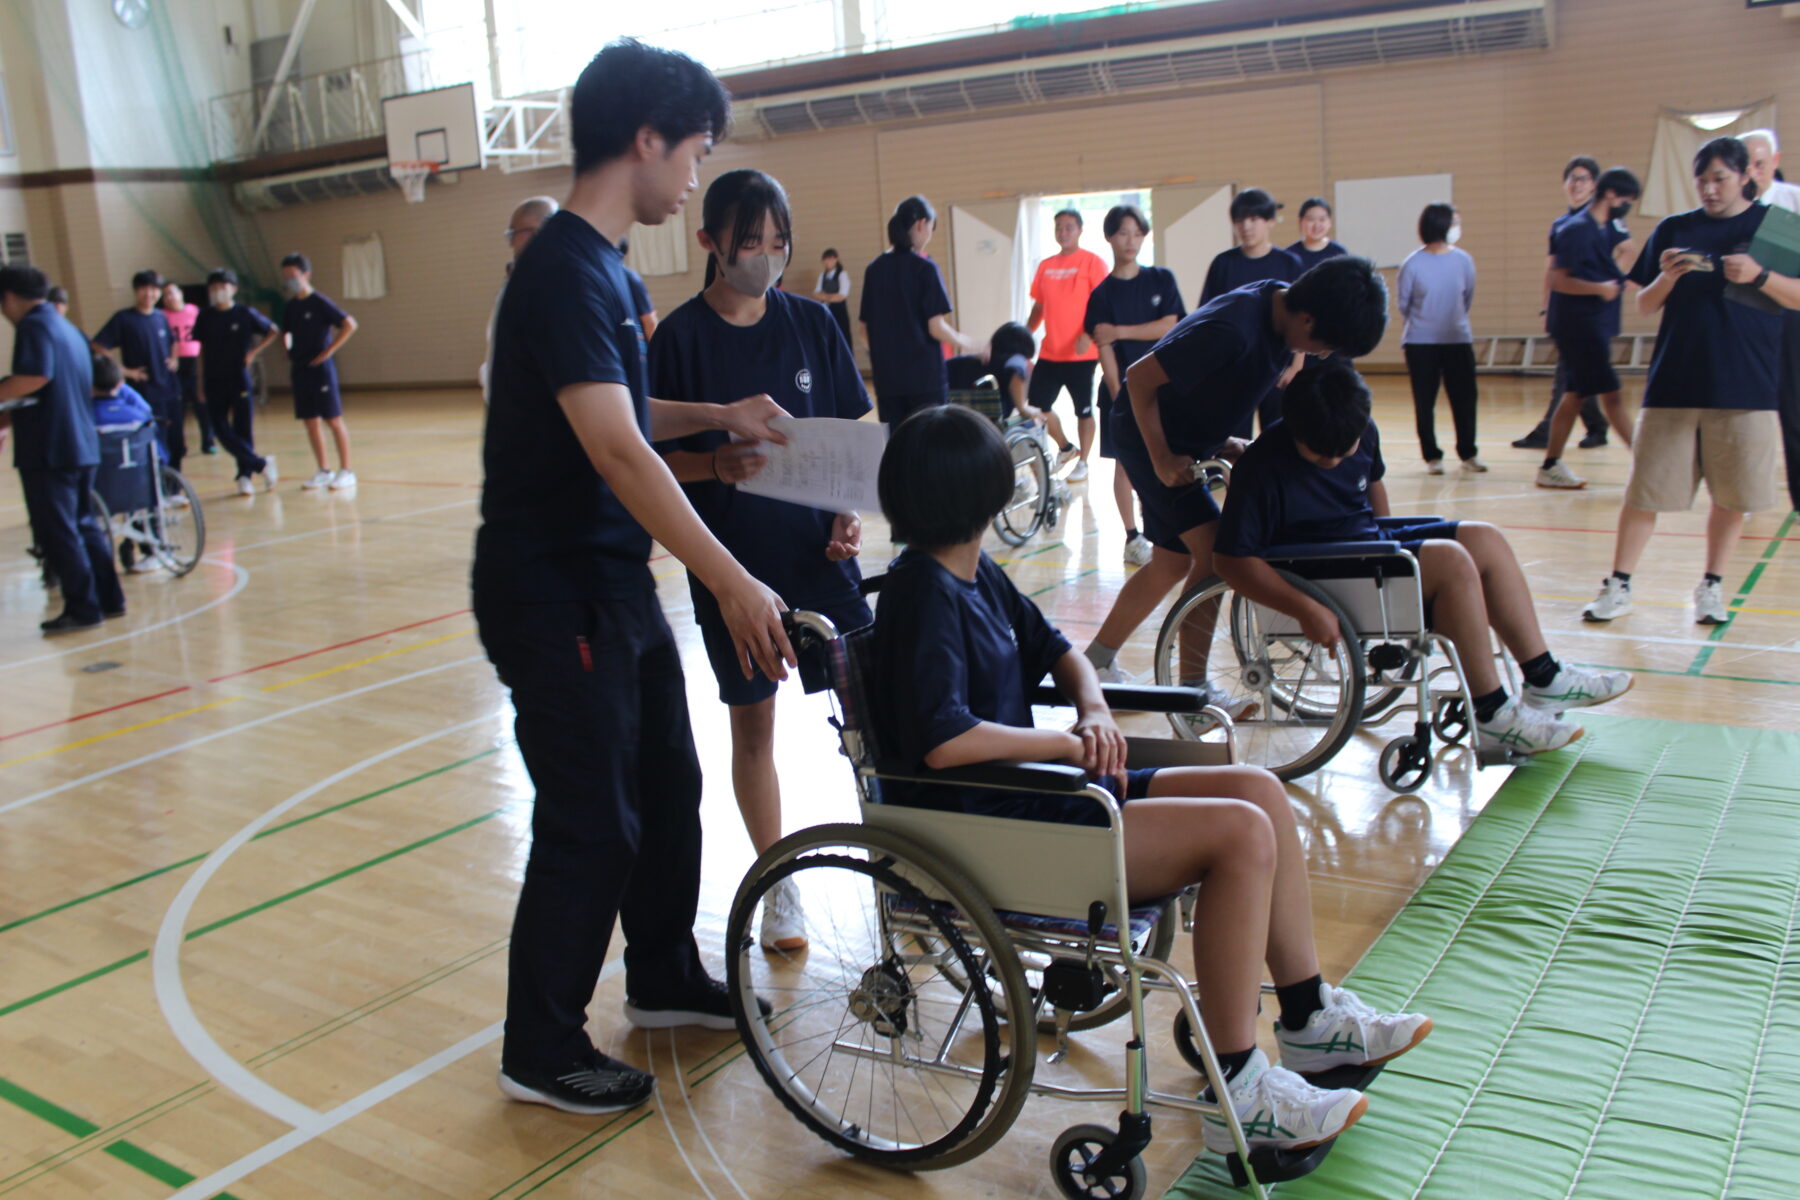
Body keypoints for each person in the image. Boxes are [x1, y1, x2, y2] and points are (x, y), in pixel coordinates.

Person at [870, 403, 1432, 1156]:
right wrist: (1069, 744)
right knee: (1239, 835)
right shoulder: (923, 596)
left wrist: (1094, 705)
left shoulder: (974, 572)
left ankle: (1307, 1016)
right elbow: (946, 742)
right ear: (981, 496)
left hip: (1049, 790)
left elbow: (1062, 652)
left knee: (1258, 790)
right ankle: (1241, 1087)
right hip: (1001, 824)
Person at [475, 38, 792, 1119]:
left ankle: (659, 976)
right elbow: (613, 450)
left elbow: (619, 413)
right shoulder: (563, 268)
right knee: (592, 817)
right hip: (549, 587)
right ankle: (541, 1040)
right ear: (645, 141)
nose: (697, 175)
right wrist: (736, 579)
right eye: (695, 151)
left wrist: (716, 428)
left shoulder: (607, 270)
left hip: (611, 579)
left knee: (668, 784)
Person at [649, 168, 872, 953]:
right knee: (754, 729)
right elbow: (644, 464)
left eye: (780, 243)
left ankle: (906, 864)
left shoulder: (813, 323)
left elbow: (851, 430)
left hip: (819, 559)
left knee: (871, 719)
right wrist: (715, 467)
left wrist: (848, 510)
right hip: (735, 572)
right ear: (710, 241)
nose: (768, 258)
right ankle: (779, 885)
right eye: (751, 243)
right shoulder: (677, 341)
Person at [1214, 361, 1631, 753]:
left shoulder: (1359, 428)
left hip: (1363, 548)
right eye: (1320, 455)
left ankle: (1543, 675)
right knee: (1449, 562)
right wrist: (1305, 607)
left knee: (1484, 538)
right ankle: (1491, 711)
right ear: (1293, 430)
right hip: (1315, 565)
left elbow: (1373, 492)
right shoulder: (1263, 466)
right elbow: (1231, 561)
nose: (1333, 461)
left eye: (1344, 451)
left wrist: (1388, 550)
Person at [1082, 255, 1389, 697]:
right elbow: (1139, 379)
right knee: (1211, 557)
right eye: (1323, 344)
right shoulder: (1234, 329)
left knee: (1172, 561)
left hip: (1188, 437)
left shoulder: (1282, 306)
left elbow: (1212, 386)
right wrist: (1163, 455)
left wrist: (1221, 439)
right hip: (1150, 438)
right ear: (1308, 317)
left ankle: (1095, 662)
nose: (1319, 355)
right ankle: (1191, 692)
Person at [1583, 137, 1800, 625]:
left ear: (1745, 175)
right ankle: (1618, 585)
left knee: (1732, 496)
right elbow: (1643, 304)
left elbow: (1797, 297)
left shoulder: (1776, 226)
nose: (1709, 188)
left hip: (1747, 385)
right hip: (1675, 383)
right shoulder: (1675, 228)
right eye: (1701, 179)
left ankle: (1712, 586)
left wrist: (1759, 275)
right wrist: (1667, 278)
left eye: (1719, 178)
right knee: (1645, 492)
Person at [0, 266, 125, 633]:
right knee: (84, 524)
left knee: (59, 530)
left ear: (8, 298)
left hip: (50, 449)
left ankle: (83, 609)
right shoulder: (66, 327)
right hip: (80, 442)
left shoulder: (34, 326)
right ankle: (110, 599)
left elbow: (34, 377)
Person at [1085, 203, 1185, 567]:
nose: (1131, 240)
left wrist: (1121, 331)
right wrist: (1118, 395)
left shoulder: (1161, 279)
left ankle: (1163, 529)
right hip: (1120, 394)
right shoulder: (1101, 295)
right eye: (1123, 232)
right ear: (1110, 237)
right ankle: (1131, 537)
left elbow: (1171, 325)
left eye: (1137, 233)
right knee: (1125, 465)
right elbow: (1103, 346)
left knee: (1166, 457)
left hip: (1163, 390)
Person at [1537, 168, 1643, 490]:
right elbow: (1558, 278)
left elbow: (1616, 262)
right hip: (1579, 328)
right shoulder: (1577, 229)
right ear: (1612, 195)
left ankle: (1550, 465)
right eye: (1626, 200)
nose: (1627, 206)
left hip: (1590, 325)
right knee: (1613, 396)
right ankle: (1646, 465)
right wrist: (1598, 289)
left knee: (1575, 396)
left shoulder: (1599, 229)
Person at [1512, 157, 1619, 450]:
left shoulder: (1603, 222)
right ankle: (1597, 426)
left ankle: (1548, 431)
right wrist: (1547, 307)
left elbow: (1621, 258)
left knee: (1568, 373)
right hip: (1565, 311)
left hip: (1590, 313)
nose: (1576, 184)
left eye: (1583, 179)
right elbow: (1552, 271)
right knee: (1577, 372)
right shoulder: (1560, 224)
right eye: (1572, 178)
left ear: (1594, 185)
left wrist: (1603, 290)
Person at [859, 195, 982, 426]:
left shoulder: (874, 269)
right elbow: (936, 328)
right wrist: (969, 342)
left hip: (887, 380)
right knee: (929, 445)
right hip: (924, 379)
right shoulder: (925, 268)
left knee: (897, 446)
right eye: (930, 229)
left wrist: (884, 356)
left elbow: (864, 331)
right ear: (921, 224)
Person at [1201, 189, 1305, 436]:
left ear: (1269, 221)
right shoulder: (1223, 264)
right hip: (1234, 370)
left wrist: (1295, 367)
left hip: (1277, 368)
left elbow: (1302, 317)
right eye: (1240, 220)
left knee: (1279, 438)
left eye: (1254, 219)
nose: (1246, 226)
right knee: (1233, 442)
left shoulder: (1289, 264)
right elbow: (1208, 317)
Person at [1397, 202, 1484, 475]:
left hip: (1457, 339)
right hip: (1420, 343)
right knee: (1425, 401)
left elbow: (1466, 297)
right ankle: (1432, 456)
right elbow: (1404, 304)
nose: (1457, 227)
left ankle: (1468, 453)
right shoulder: (1413, 264)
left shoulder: (1463, 260)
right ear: (1439, 224)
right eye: (1453, 222)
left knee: (1465, 399)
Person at [1742, 129, 1800, 514]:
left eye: (1760, 164)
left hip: (1790, 316)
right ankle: (1741, 494)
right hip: (1744, 320)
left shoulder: (1792, 200)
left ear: (1774, 162)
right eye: (1745, 165)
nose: (1753, 173)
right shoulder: (1731, 205)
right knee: (1744, 413)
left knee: (1793, 409)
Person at [1026, 209, 1108, 480]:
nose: (1063, 232)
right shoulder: (1046, 266)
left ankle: (1083, 461)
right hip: (1050, 352)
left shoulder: (1092, 263)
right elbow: (1039, 306)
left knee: (1083, 409)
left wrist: (1089, 333)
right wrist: (1025, 335)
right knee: (1037, 407)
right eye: (1059, 227)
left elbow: (1103, 304)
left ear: (1080, 230)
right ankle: (1065, 447)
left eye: (1069, 227)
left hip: (1082, 354)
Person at [194, 268, 280, 494]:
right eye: (213, 288)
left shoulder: (244, 313)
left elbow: (272, 330)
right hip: (214, 379)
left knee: (243, 428)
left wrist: (253, 353)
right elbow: (201, 352)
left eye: (222, 286)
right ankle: (261, 463)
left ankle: (245, 474)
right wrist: (200, 383)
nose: (217, 291)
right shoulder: (205, 316)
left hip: (239, 379)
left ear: (233, 289)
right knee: (220, 428)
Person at [278, 252, 358, 490]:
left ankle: (346, 470)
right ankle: (323, 469)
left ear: (306, 275)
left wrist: (328, 351)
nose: (290, 281)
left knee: (333, 419)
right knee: (310, 421)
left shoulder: (319, 302)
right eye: (286, 277)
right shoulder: (290, 307)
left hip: (321, 370)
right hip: (300, 369)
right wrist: (287, 347)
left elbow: (349, 324)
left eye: (293, 276)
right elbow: (286, 332)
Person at [92, 269, 184, 475]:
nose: (149, 294)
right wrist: (124, 371)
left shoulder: (161, 316)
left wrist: (175, 358)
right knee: (156, 441)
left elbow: (173, 340)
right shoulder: (124, 318)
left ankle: (174, 487)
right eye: (144, 289)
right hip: (145, 390)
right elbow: (98, 344)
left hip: (169, 387)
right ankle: (159, 488)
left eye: (154, 289)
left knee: (177, 441)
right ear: (136, 291)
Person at [948, 320, 1077, 465]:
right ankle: (1043, 476)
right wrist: (1023, 406)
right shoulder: (1017, 359)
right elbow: (1016, 370)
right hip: (993, 423)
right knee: (1034, 421)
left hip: (958, 419)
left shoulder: (966, 361)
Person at [483, 196, 561, 395]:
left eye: (513, 234)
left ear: (535, 232)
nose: (510, 243)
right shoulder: (516, 283)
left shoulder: (554, 283)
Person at [161, 282, 213, 456]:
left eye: (172, 293)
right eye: (165, 295)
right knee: (178, 406)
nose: (169, 297)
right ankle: (179, 444)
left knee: (201, 404)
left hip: (195, 361)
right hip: (175, 364)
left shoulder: (194, 311)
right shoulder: (161, 316)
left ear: (180, 293)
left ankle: (208, 442)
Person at [1286, 198, 1348, 272]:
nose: (1316, 225)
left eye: (1322, 219)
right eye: (1311, 219)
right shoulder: (1290, 254)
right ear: (1300, 221)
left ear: (1330, 222)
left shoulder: (1339, 252)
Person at [810, 247, 853, 350]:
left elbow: (842, 295)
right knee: (826, 338)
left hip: (839, 311)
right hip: (825, 310)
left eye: (830, 259)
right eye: (825, 259)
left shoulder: (842, 275)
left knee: (842, 338)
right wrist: (831, 296)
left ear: (836, 259)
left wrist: (825, 297)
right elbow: (816, 293)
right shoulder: (822, 276)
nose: (827, 262)